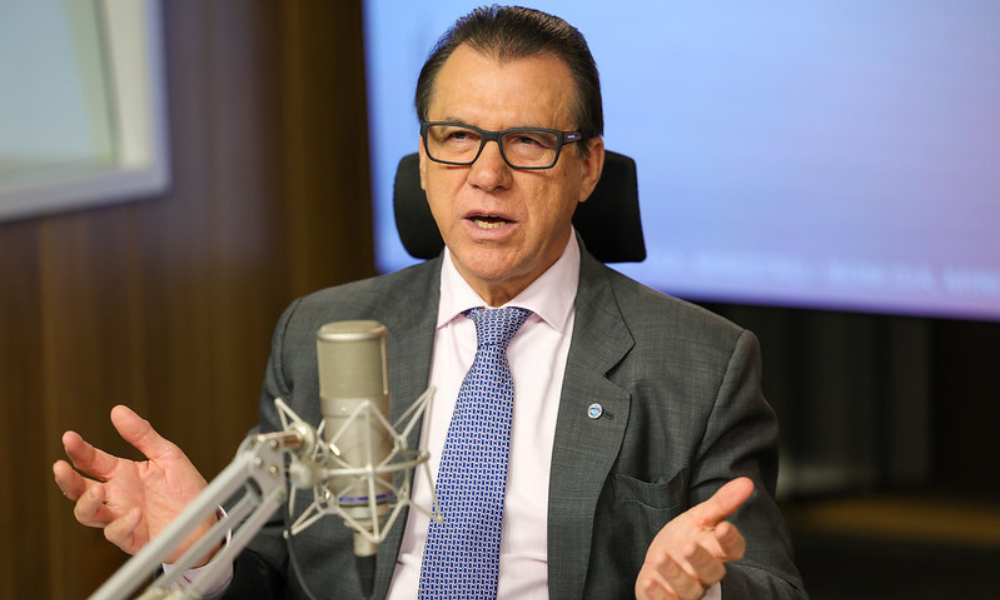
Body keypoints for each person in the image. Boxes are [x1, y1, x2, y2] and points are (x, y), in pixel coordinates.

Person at [53, 6, 807, 599]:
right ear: (422, 160)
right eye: (457, 136)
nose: (487, 174)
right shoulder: (321, 333)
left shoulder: (701, 363)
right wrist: (205, 549)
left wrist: (702, 588)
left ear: (587, 166)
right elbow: (275, 574)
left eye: (529, 142)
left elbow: (770, 585)